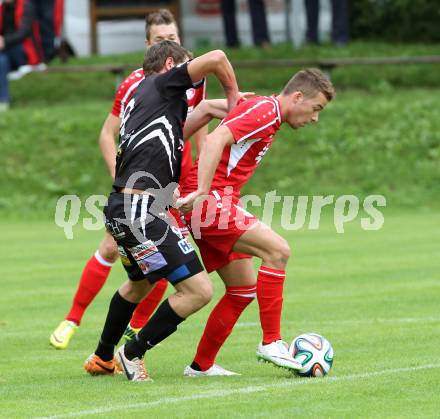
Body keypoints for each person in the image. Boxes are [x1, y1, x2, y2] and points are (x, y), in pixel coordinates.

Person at [49, 9, 207, 349]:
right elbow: (108, 134)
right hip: (140, 189)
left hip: (174, 186)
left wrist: (200, 182)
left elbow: (198, 131)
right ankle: (74, 319)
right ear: (149, 45)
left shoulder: (193, 79)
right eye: (162, 41)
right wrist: (122, 178)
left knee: (157, 267)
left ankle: (128, 336)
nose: (169, 44)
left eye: (174, 39)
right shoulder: (137, 83)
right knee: (124, 250)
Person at [84, 40, 240, 382]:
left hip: (122, 209)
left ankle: (102, 355)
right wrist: (233, 96)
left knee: (139, 284)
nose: (193, 87)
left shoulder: (143, 97)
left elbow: (185, 126)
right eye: (189, 75)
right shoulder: (164, 82)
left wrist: (224, 110)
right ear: (171, 65)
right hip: (142, 211)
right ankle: (133, 351)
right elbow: (217, 58)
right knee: (199, 290)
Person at [177, 68, 335, 376]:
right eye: (316, 109)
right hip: (210, 201)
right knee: (279, 251)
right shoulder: (266, 111)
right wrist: (202, 192)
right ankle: (271, 341)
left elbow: (211, 112)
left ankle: (201, 366)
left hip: (216, 200)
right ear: (298, 97)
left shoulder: (267, 112)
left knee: (242, 289)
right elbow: (214, 141)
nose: (315, 118)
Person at [0, 0, 42, 111]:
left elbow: (24, 32)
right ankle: (3, 100)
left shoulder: (26, 6)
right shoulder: (2, 9)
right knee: (1, 61)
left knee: (6, 54)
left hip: (24, 51)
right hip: (5, 52)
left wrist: (5, 42)